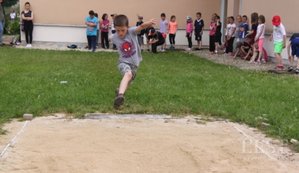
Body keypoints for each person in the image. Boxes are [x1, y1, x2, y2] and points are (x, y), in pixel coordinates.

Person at [112, 15, 155, 108]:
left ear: (127, 27)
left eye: (123, 30)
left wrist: (148, 23)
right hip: (123, 62)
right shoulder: (114, 37)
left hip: (135, 64)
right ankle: (120, 96)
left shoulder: (131, 32)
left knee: (128, 81)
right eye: (117, 30)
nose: (120, 33)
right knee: (128, 74)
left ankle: (119, 91)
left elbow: (141, 27)